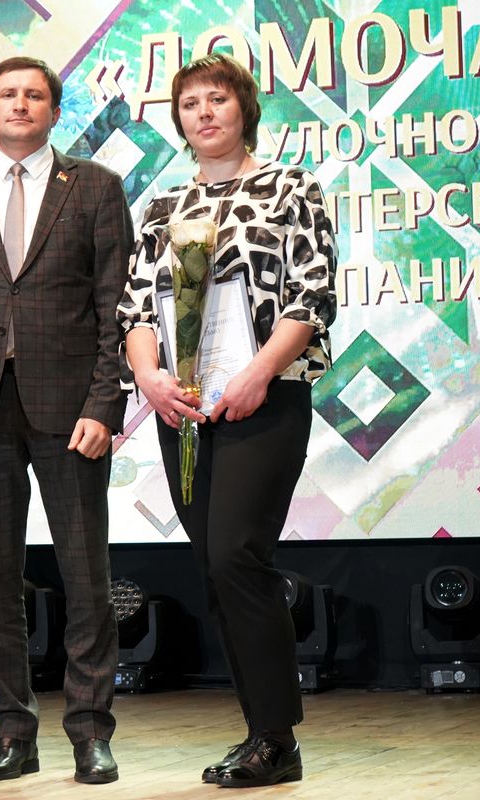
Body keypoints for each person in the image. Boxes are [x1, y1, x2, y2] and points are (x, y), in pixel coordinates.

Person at [118, 54, 337, 788]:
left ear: (244, 108)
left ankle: (277, 738)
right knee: (216, 567)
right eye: (190, 104)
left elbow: (312, 295)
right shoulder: (161, 205)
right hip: (181, 406)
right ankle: (258, 732)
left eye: (217, 99)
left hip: (262, 396)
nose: (204, 113)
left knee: (238, 555)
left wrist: (258, 372)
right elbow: (135, 309)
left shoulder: (291, 187)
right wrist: (149, 377)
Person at [0, 56, 132, 785]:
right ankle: (13, 732)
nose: (20, 104)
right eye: (7, 94)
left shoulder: (95, 187)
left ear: (54, 110)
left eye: (34, 94)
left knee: (86, 575)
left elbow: (115, 309)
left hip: (70, 408)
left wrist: (104, 404)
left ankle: (91, 732)